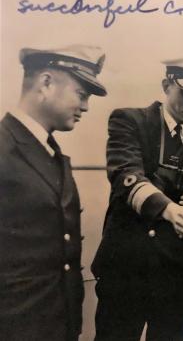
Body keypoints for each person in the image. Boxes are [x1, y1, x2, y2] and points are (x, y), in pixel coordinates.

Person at [92, 57, 183, 341]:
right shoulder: (129, 121)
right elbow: (127, 179)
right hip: (126, 272)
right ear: (166, 85)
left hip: (175, 278)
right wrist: (171, 209)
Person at [0, 45, 107, 341]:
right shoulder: (4, 150)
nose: (85, 107)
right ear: (46, 83)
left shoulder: (49, 152)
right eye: (81, 95)